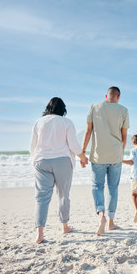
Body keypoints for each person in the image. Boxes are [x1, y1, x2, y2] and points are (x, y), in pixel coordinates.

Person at [30, 97, 88, 244]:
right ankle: (65, 226)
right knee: (63, 195)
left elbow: (33, 146)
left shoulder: (39, 122)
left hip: (41, 161)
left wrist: (35, 160)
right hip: (62, 161)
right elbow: (73, 144)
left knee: (41, 198)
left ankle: (40, 234)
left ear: (48, 108)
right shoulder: (67, 122)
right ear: (63, 109)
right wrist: (82, 157)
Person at [81, 86, 129, 235]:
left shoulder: (94, 107)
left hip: (98, 155)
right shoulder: (123, 110)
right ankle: (111, 222)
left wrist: (82, 152)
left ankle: (101, 215)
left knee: (97, 186)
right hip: (115, 154)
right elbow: (124, 135)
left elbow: (88, 131)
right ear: (118, 96)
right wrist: (120, 152)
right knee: (113, 188)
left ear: (106, 95)